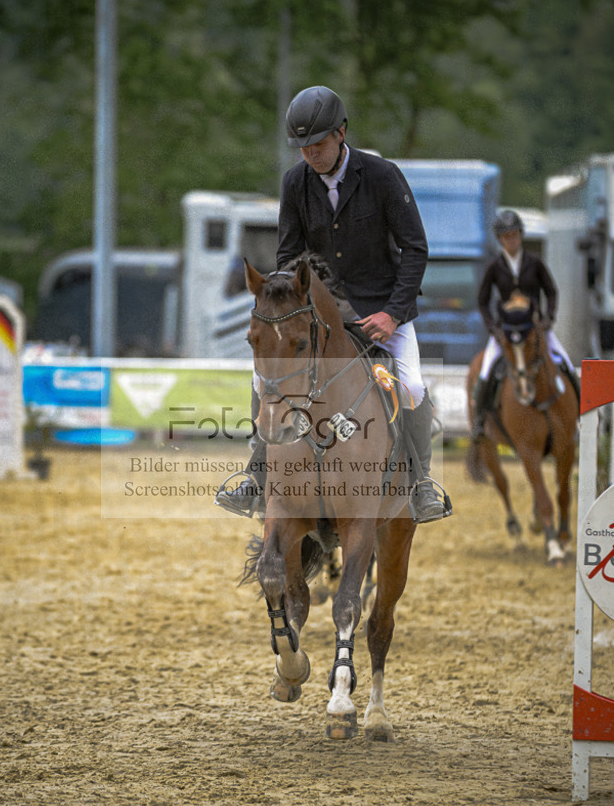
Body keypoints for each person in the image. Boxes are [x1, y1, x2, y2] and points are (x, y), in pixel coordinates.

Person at [216, 84, 451, 525]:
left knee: (413, 386)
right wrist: (289, 305)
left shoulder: (382, 176)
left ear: (341, 133)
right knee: (262, 378)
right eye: (302, 147)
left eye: (318, 144)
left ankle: (421, 483)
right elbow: (289, 255)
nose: (310, 154)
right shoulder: (295, 183)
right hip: (320, 317)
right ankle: (256, 475)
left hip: (382, 311)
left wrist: (393, 313)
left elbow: (415, 249)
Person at [470, 208, 578, 442]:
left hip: (534, 329)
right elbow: (482, 301)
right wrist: (492, 328)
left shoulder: (534, 262)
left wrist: (548, 319)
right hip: (506, 331)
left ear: (521, 235)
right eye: (507, 236)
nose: (512, 240)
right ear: (500, 239)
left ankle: (578, 417)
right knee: (486, 370)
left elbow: (551, 291)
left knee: (566, 363)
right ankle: (479, 421)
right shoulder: (494, 266)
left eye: (515, 235)